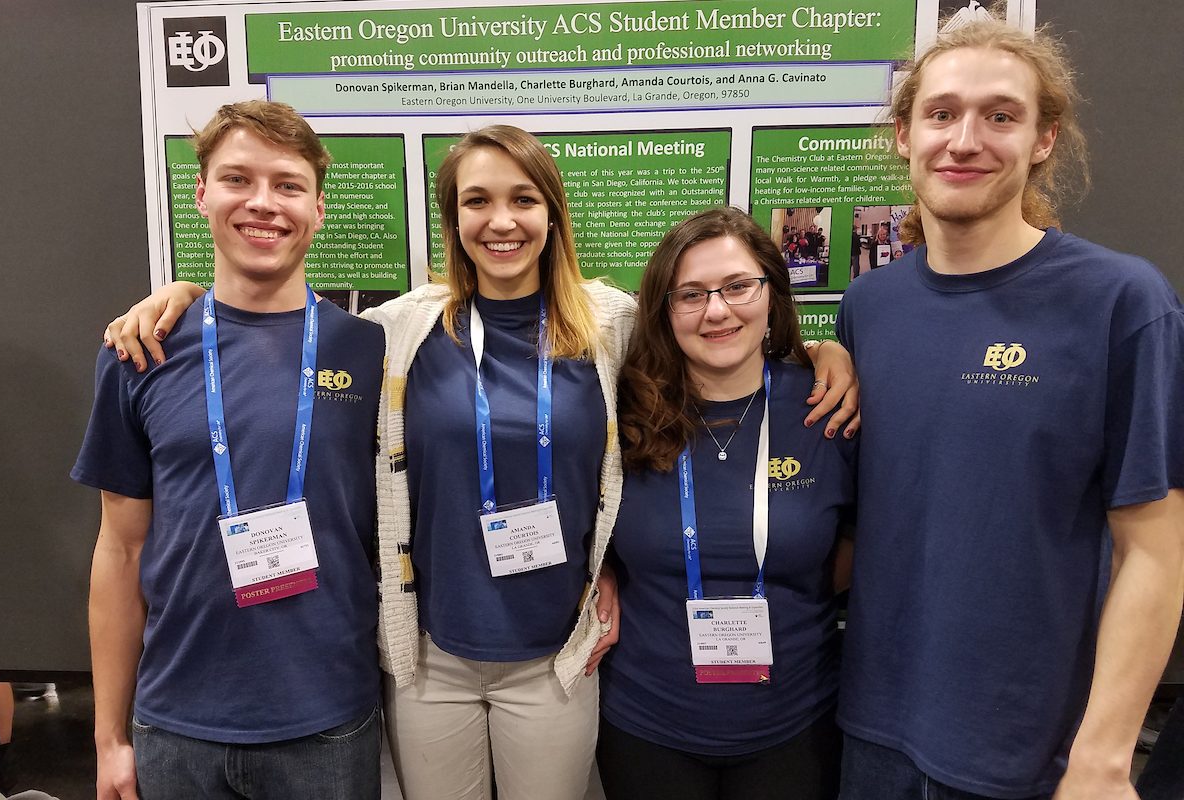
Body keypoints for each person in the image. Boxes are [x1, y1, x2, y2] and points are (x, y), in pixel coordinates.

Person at [105, 126, 860, 800]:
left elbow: (713, 345)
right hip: (431, 658)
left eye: (523, 198)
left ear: (552, 212)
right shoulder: (395, 332)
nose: (501, 220)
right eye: (477, 201)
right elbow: (272, 330)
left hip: (559, 659)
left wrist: (822, 352)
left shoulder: (613, 325)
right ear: (453, 218)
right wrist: (183, 296)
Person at [836, 19, 1184, 800]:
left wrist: (1103, 755)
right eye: (941, 113)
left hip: (1029, 749)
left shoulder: (1123, 304)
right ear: (904, 135)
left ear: (1043, 140)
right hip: (871, 730)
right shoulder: (868, 307)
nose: (965, 140)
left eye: (1000, 115)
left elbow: (1156, 552)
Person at [73, 101, 385, 799]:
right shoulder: (139, 351)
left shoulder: (372, 350)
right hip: (176, 725)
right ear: (202, 193)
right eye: (238, 179)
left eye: (288, 184)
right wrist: (110, 737)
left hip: (329, 722)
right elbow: (119, 553)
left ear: (319, 208)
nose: (263, 203)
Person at [595, 208, 856, 800]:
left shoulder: (828, 409)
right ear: (664, 310)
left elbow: (857, 548)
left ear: (771, 293)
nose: (716, 310)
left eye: (738, 286)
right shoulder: (621, 414)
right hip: (647, 726)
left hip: (795, 726)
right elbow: (594, 531)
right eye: (690, 294)